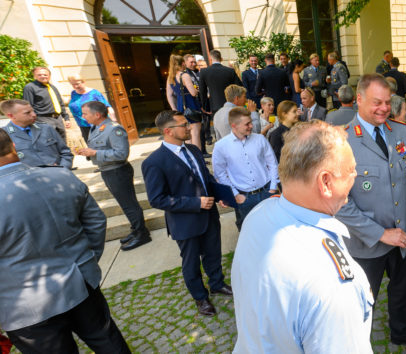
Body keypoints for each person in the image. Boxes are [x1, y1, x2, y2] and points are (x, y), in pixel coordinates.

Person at [232, 120, 373, 353]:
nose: (356, 176)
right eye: (351, 170)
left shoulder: (259, 214)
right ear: (325, 182)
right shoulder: (331, 286)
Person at [0, 129, 130, 353]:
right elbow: (96, 223)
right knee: (108, 342)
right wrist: (86, 261)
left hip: (25, 307)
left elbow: (96, 222)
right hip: (79, 282)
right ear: (13, 144)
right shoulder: (60, 175)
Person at [335, 74, 406, 352]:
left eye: (387, 102)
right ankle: (354, 346)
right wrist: (381, 234)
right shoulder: (342, 141)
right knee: (362, 300)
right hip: (366, 243)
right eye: (376, 102)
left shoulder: (400, 132)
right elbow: (340, 203)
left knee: (401, 291)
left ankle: (401, 333)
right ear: (359, 100)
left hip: (402, 236)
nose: (383, 108)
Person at [142, 110, 233, 317]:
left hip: (209, 216)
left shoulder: (193, 149)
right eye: (184, 125)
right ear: (168, 131)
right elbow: (157, 199)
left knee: (213, 253)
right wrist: (195, 203)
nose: (190, 127)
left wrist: (220, 195)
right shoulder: (154, 162)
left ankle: (217, 284)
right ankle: (200, 298)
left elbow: (205, 178)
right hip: (185, 222)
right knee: (191, 263)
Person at [76, 101, 151, 251]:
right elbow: (98, 148)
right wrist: (87, 153)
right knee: (125, 204)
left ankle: (142, 234)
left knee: (129, 204)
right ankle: (136, 229)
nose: (83, 116)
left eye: (85, 113)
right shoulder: (95, 128)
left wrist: (95, 153)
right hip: (107, 170)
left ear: (97, 115)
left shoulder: (114, 129)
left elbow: (121, 154)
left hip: (118, 171)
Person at [212, 107, 280, 230]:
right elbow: (220, 174)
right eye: (247, 124)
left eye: (251, 122)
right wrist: (235, 194)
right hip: (245, 198)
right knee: (251, 232)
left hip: (267, 192)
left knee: (273, 228)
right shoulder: (221, 146)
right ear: (234, 126)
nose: (251, 126)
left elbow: (273, 164)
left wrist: (273, 187)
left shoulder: (260, 139)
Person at [1, 99, 73, 169]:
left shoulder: (46, 128)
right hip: (29, 179)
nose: (34, 115)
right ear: (11, 116)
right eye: (27, 113)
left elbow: (66, 153)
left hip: (59, 175)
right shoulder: (4, 136)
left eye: (33, 111)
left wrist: (63, 168)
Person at [165, 54, 203, 150]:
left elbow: (169, 95)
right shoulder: (184, 75)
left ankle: (190, 157)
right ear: (183, 63)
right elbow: (193, 93)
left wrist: (174, 109)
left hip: (180, 106)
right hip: (191, 105)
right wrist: (197, 90)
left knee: (186, 134)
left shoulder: (170, 77)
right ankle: (198, 158)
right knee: (195, 133)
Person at [22, 66, 71, 140]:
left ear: (49, 76)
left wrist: (66, 118)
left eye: (45, 74)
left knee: (62, 143)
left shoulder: (52, 87)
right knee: (49, 144)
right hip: (42, 119)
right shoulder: (30, 87)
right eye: (39, 75)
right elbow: (28, 106)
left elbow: (60, 103)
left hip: (58, 119)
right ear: (35, 76)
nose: (43, 76)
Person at [68, 74, 117, 142]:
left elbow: (108, 107)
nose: (75, 86)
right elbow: (72, 103)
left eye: (77, 84)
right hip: (83, 126)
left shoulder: (94, 93)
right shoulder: (73, 93)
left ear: (83, 82)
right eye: (73, 84)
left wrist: (114, 121)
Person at [198, 50, 243, 115]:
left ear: (210, 58)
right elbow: (239, 87)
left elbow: (202, 91)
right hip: (230, 104)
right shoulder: (230, 71)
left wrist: (205, 107)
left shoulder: (204, 71)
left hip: (214, 105)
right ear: (221, 58)